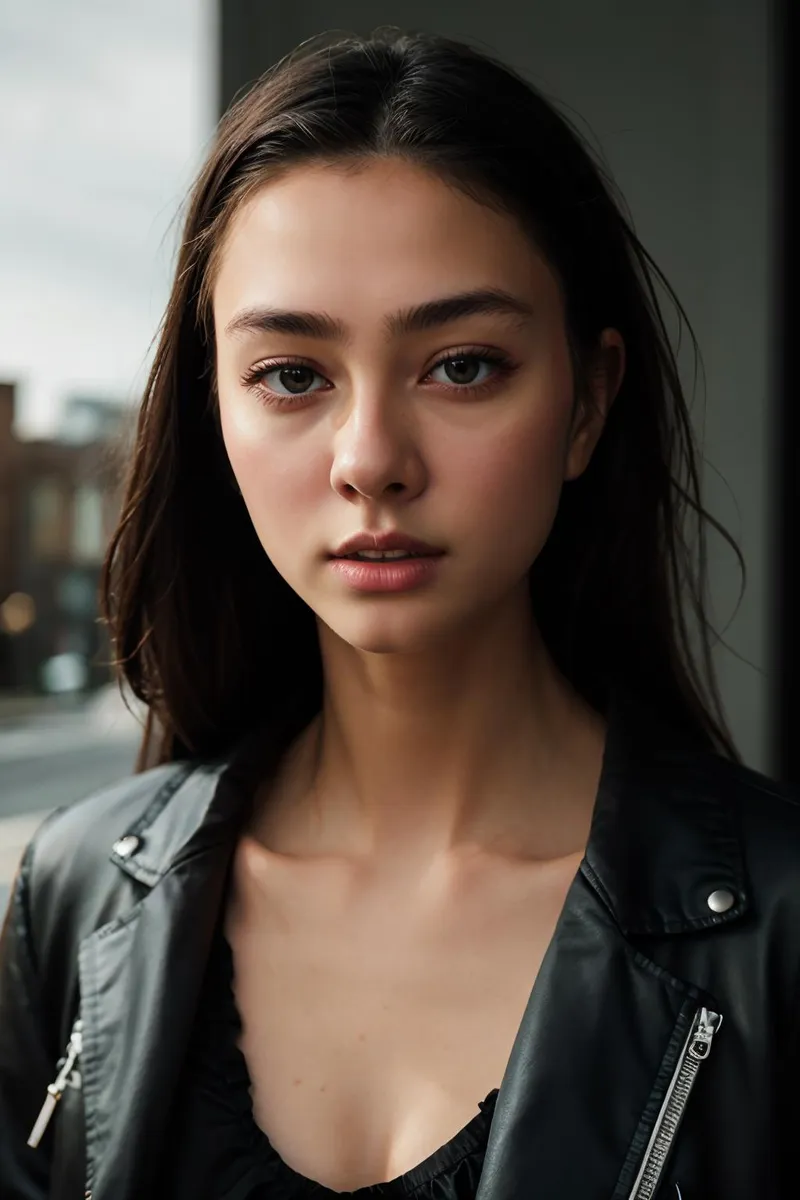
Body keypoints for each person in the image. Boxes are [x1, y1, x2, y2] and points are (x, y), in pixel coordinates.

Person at [0, 26, 797, 1200]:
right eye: (291, 375)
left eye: (461, 366)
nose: (369, 459)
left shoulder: (774, 928)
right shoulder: (77, 898)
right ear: (212, 413)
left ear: (587, 402)